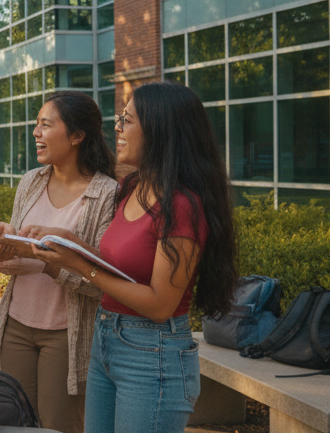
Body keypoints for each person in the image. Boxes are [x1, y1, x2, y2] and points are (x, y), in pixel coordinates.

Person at [27, 82, 239, 433]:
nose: (117, 128)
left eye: (127, 120)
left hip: (152, 352)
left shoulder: (183, 206)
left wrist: (80, 266)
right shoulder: (132, 187)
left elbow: (159, 304)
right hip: (108, 336)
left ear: (160, 130)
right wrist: (74, 245)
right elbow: (123, 269)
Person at [0, 91, 118, 433]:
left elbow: (99, 280)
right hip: (16, 325)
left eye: (46, 124)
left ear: (76, 136)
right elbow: (19, 257)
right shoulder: (31, 181)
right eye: (36, 125)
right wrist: (6, 241)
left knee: (57, 427)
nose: (36, 133)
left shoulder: (106, 194)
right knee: (17, 423)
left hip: (65, 334)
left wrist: (45, 262)